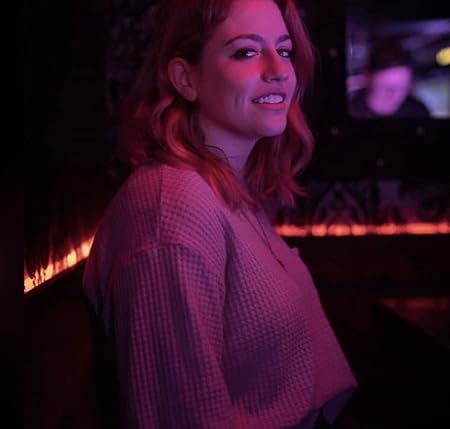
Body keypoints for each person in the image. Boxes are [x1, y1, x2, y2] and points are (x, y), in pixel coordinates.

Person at [83, 0, 357, 428]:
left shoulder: (224, 187)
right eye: (246, 51)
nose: (279, 70)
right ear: (186, 79)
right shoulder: (172, 210)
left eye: (284, 50)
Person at [348, 38, 430, 118]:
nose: (394, 96)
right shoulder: (352, 110)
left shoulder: (418, 112)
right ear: (367, 78)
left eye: (402, 88)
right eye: (386, 88)